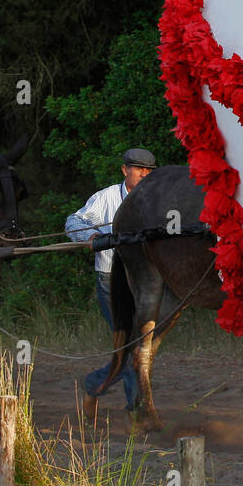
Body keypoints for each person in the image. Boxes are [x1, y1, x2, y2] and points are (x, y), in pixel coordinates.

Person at [65, 147, 157, 422]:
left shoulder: (155, 201)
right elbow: (73, 222)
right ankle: (137, 414)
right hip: (110, 281)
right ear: (124, 170)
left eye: (148, 170)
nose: (143, 174)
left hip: (144, 283)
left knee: (140, 348)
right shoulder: (105, 198)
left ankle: (93, 386)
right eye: (138, 168)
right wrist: (91, 234)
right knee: (131, 348)